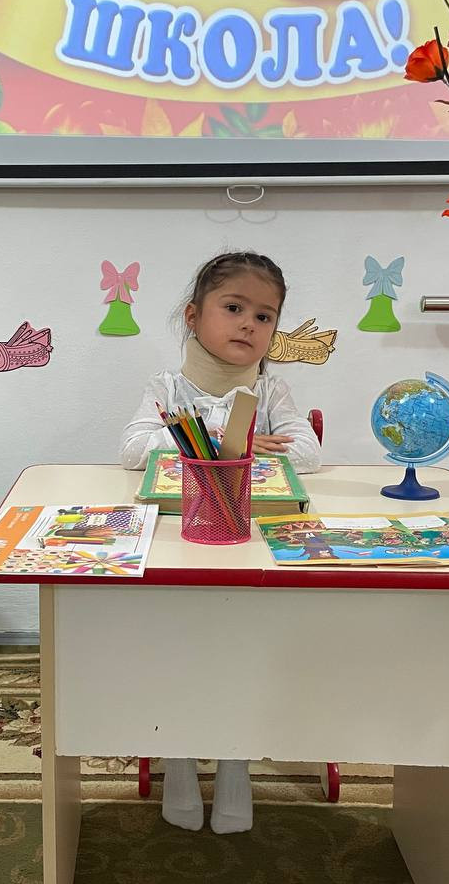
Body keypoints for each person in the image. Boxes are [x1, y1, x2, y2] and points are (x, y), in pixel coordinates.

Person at [119, 251, 323, 834]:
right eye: (234, 308)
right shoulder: (166, 386)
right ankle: (180, 757)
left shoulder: (272, 389)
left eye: (264, 316)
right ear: (193, 316)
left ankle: (235, 763)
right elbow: (132, 449)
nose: (248, 325)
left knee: (244, 646)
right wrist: (216, 435)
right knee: (180, 644)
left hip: (249, 540)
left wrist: (240, 443)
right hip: (179, 539)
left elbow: (307, 452)